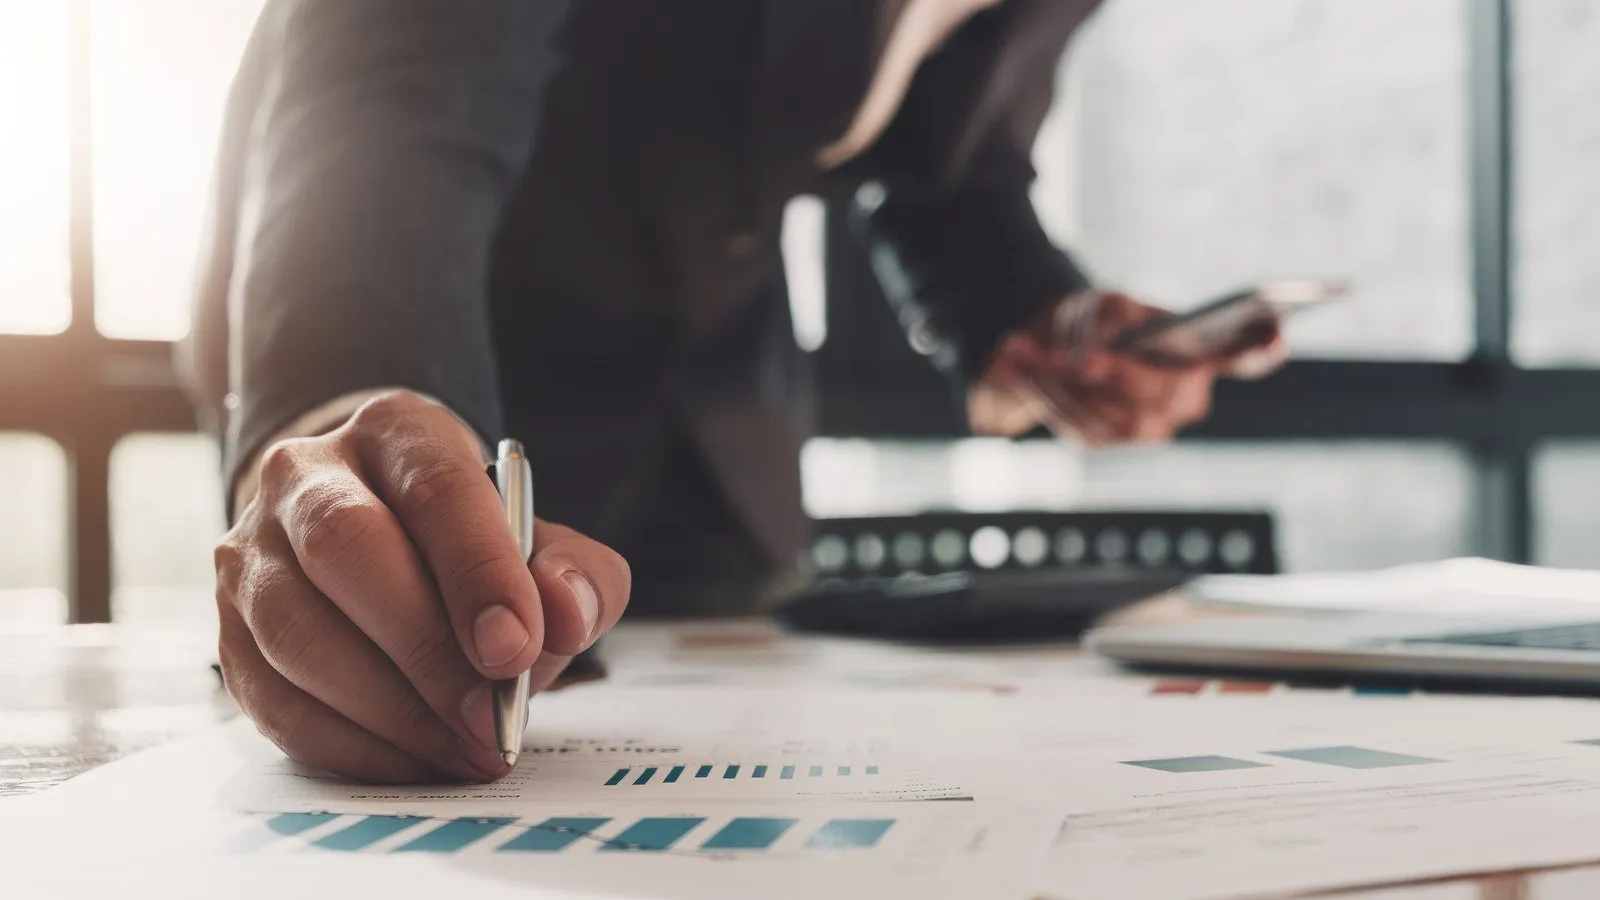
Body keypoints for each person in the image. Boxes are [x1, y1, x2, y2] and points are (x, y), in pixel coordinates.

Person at [180, 0, 1280, 785]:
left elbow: (946, 156)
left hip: (714, 433)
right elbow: (402, 83)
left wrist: (1040, 315)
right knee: (383, 705)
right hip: (446, 371)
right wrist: (347, 411)